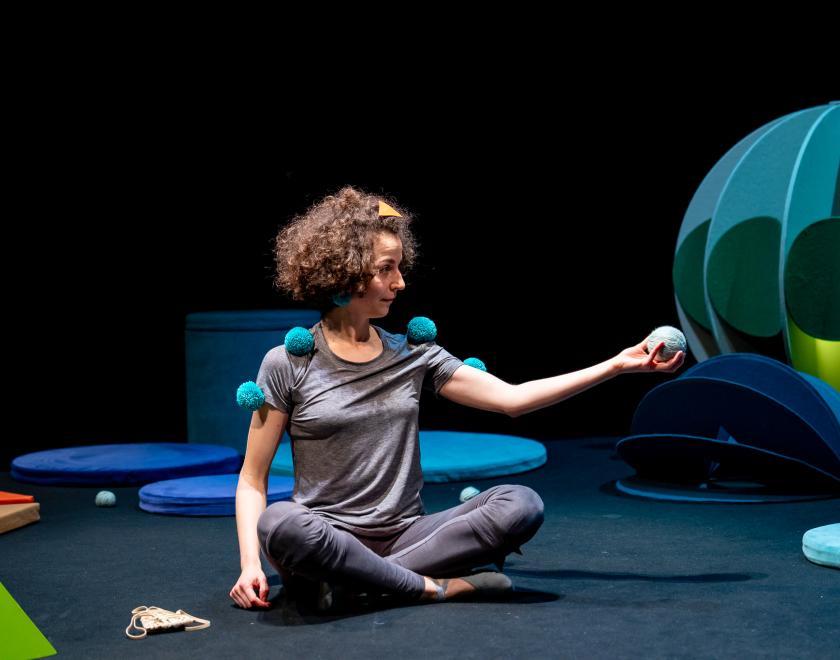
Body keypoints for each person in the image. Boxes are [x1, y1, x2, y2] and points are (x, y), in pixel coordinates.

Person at [229, 185, 685, 611]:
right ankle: (434, 587)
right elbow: (253, 479)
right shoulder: (289, 363)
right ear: (344, 273)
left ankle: (359, 586)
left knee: (519, 504)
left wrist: (617, 365)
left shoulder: (413, 355)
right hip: (325, 538)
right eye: (386, 268)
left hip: (410, 537)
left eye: (400, 267)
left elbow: (514, 398)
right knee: (282, 523)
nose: (400, 282)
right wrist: (252, 564)